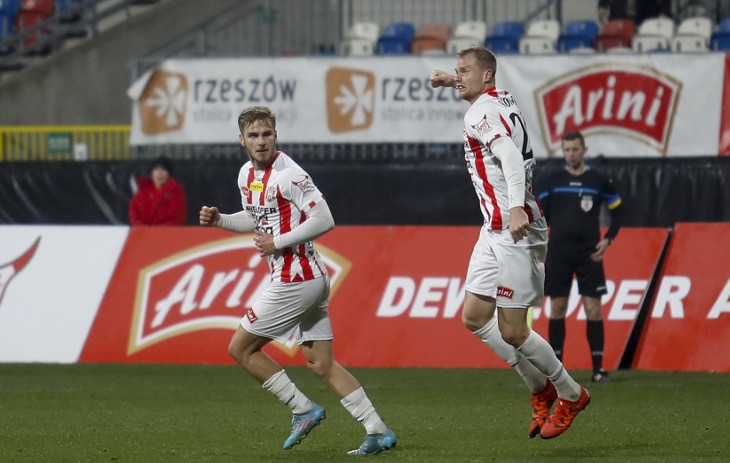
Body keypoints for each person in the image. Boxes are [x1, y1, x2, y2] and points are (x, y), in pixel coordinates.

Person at [198, 106, 396, 456]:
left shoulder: (289, 175)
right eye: (254, 136)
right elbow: (255, 217)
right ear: (241, 140)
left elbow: (325, 218)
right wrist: (221, 221)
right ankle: (377, 430)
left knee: (240, 348)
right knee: (321, 363)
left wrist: (278, 242)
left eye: (267, 134)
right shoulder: (247, 173)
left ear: (276, 135)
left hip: (296, 278)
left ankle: (302, 409)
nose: (262, 142)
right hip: (309, 277)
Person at [430, 47, 590, 440]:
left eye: (464, 71)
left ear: (485, 76)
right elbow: (487, 93)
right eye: (456, 71)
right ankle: (541, 388)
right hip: (493, 228)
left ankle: (572, 393)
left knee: (514, 330)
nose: (458, 75)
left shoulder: (478, 113)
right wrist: (452, 81)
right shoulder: (501, 97)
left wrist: (516, 208)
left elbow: (509, 158)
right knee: (474, 316)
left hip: (516, 229)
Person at [536, 131, 623, 383]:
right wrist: (540, 249)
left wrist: (608, 240)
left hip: (590, 254)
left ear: (584, 150)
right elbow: (540, 217)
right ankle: (556, 370)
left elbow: (619, 211)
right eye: (567, 150)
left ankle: (598, 369)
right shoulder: (552, 180)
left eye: (575, 149)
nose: (571, 154)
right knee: (558, 308)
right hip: (559, 252)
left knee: (593, 309)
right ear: (562, 152)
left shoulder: (598, 180)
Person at [128, 156, 187, 226]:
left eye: (163, 170)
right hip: (143, 234)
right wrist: (143, 229)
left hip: (166, 234)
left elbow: (177, 218)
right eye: (156, 170)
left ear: (169, 174)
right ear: (152, 173)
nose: (159, 173)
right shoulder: (143, 192)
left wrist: (156, 232)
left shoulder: (176, 192)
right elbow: (134, 213)